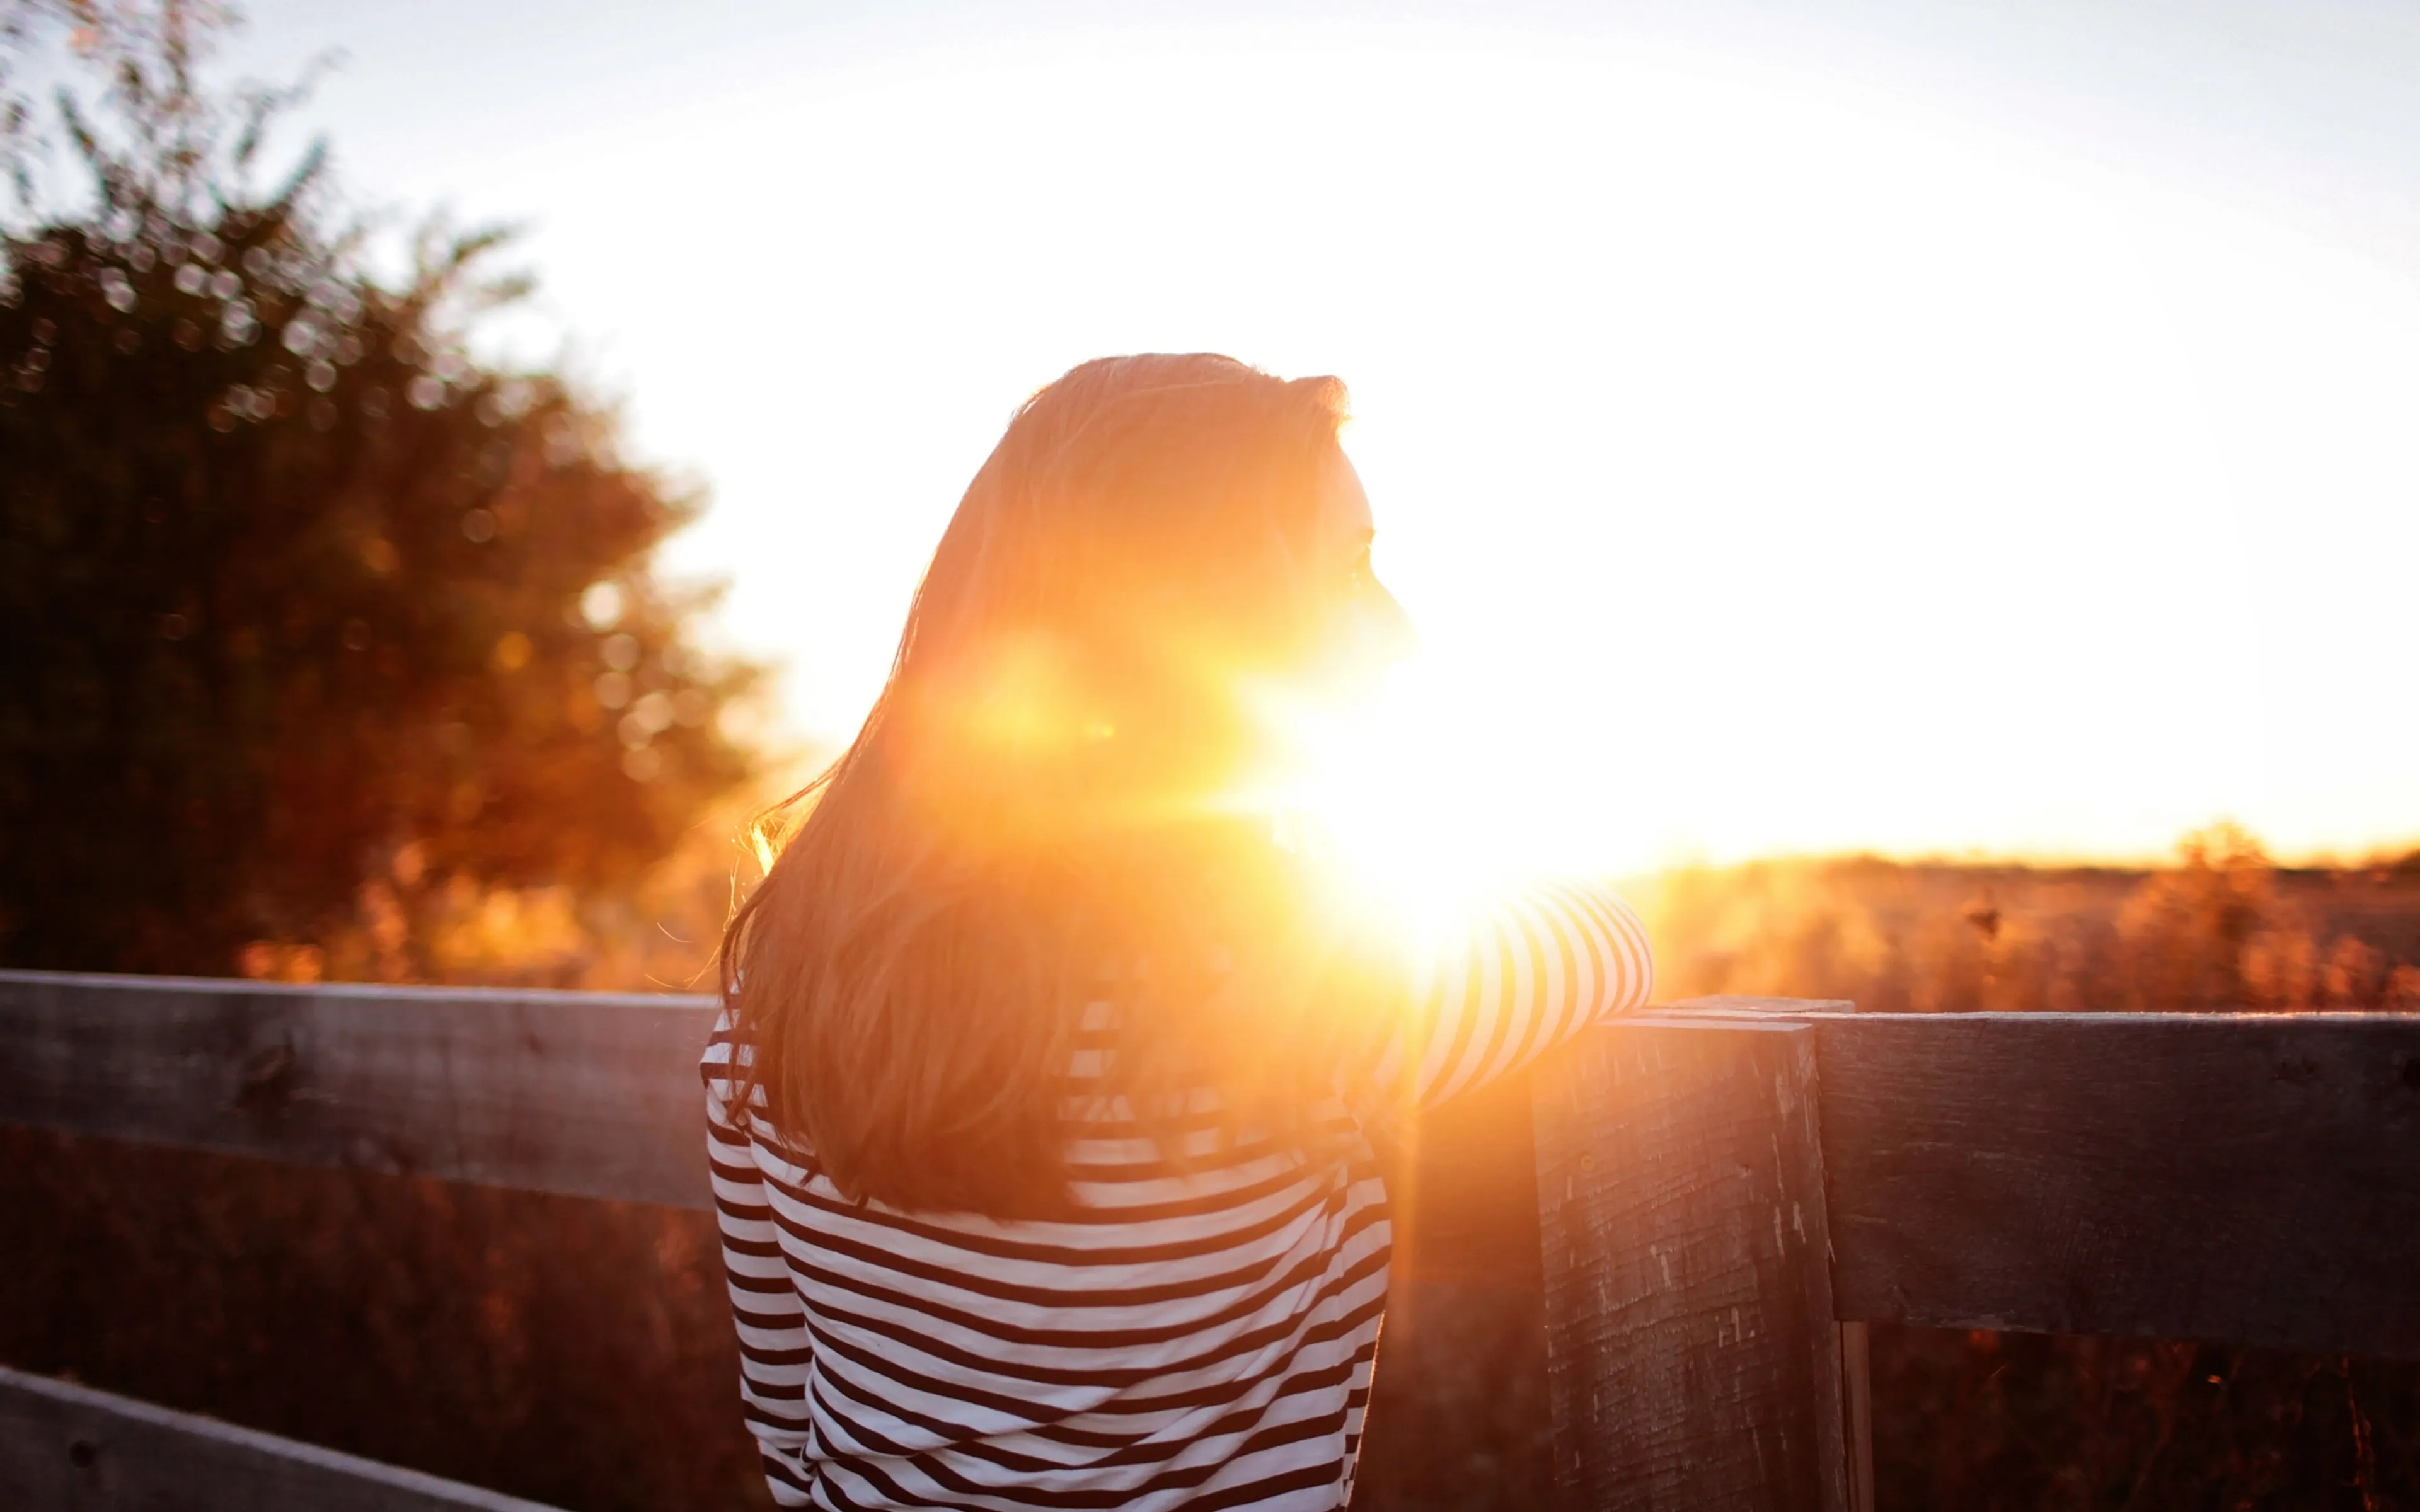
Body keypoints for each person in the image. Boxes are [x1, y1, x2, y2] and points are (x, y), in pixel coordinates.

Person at [705, 354, 1652, 1510]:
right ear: (1208, 613)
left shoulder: (781, 980)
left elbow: (781, 1406)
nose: (1401, 632)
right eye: (1352, 567)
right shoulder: (1284, 984)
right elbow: (1610, 938)